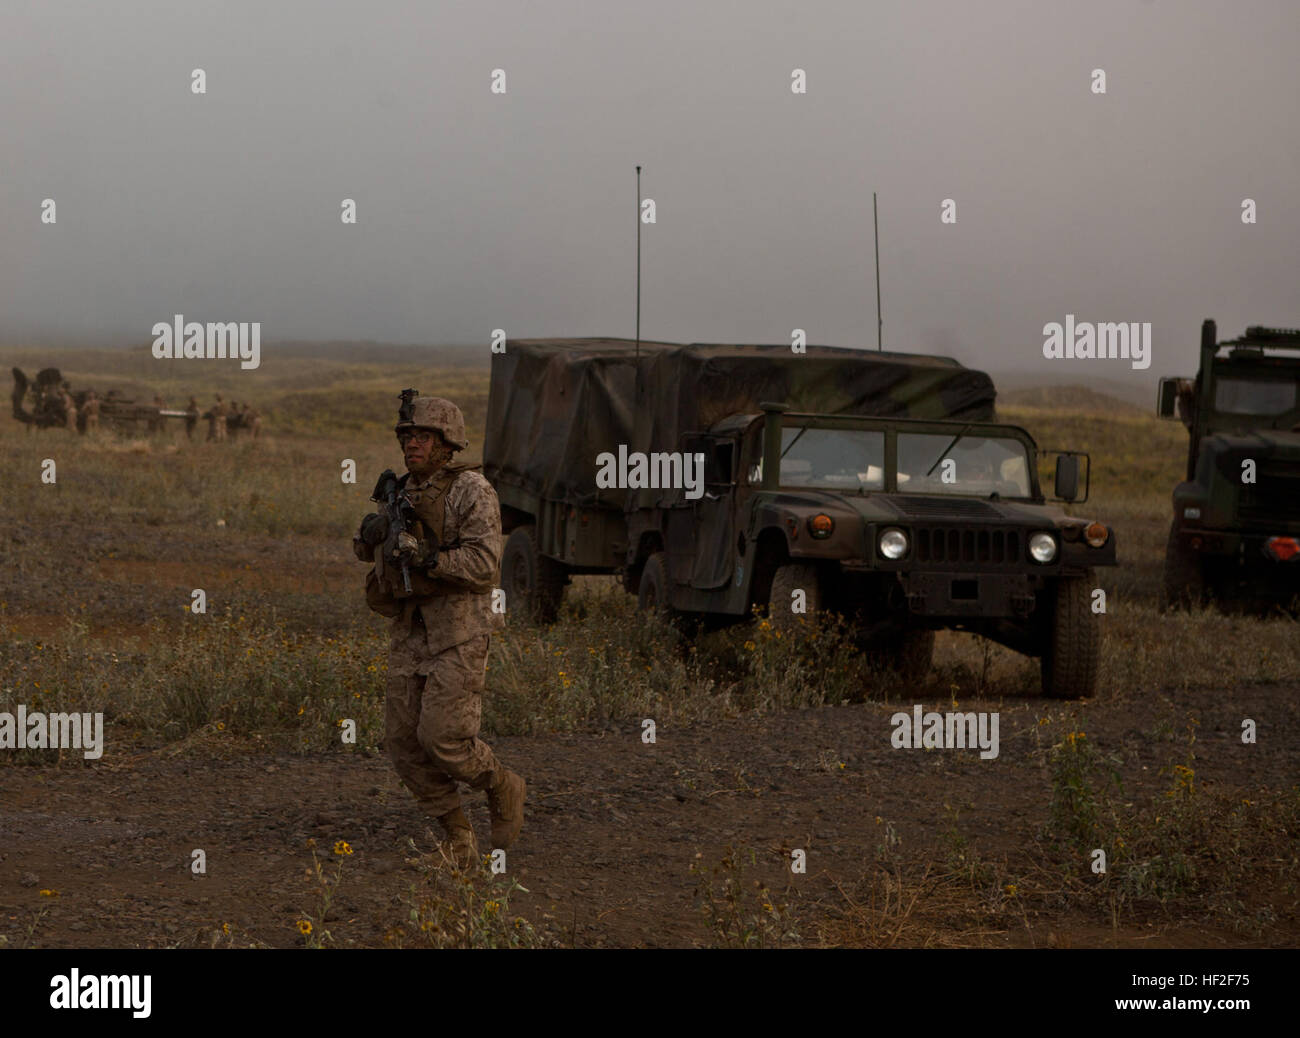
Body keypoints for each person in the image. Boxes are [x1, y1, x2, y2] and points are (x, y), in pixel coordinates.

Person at [353, 394, 523, 867]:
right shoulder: (401, 492)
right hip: (411, 628)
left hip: (460, 629)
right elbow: (372, 554)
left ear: (447, 442)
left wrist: (430, 558)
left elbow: (486, 564)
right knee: (403, 742)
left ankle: (500, 783)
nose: (412, 445)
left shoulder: (473, 490)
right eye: (406, 437)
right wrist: (370, 537)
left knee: (443, 738)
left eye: (422, 436)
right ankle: (458, 841)